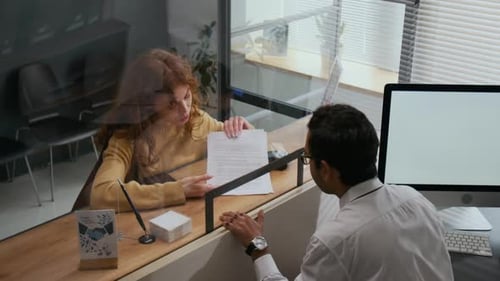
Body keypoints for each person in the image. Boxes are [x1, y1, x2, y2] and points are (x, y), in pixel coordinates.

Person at [220, 104, 454, 281]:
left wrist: (257, 246)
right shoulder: (416, 200)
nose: (308, 164)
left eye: (308, 158)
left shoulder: (335, 240)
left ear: (325, 169)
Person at [89, 49, 252, 212]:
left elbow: (243, 150)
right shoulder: (127, 138)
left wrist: (244, 129)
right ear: (147, 105)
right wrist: (178, 190)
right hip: (151, 222)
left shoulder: (196, 120)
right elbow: (101, 195)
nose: (185, 110)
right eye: (171, 105)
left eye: (187, 96)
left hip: (194, 212)